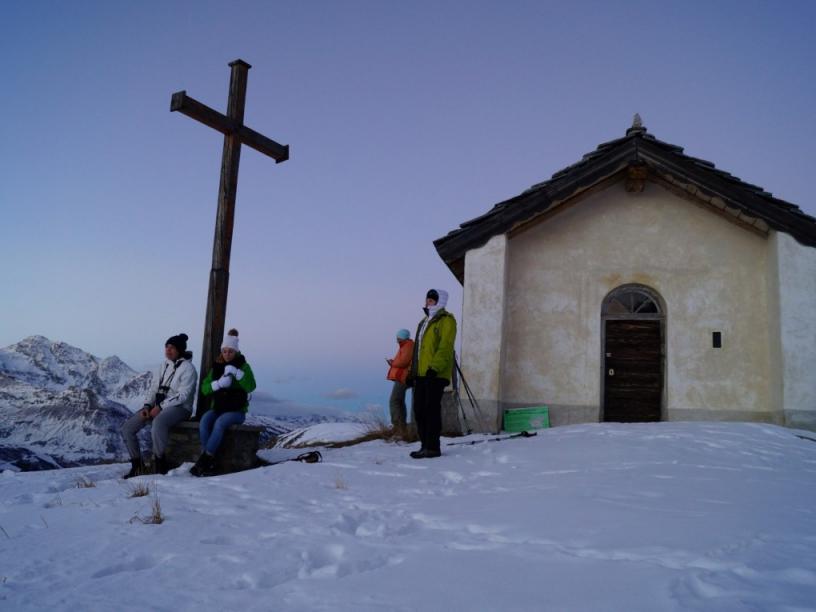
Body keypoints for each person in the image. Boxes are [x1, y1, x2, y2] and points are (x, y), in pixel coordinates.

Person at [121, 333, 197, 478]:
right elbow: (154, 388)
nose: (168, 350)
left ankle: (159, 464)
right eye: (166, 347)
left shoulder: (189, 369)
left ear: (180, 350)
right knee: (127, 428)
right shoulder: (163, 366)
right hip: (157, 406)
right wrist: (147, 406)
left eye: (172, 348)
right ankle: (137, 466)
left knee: (159, 422)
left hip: (181, 408)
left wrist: (160, 407)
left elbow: (183, 395)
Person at [191, 328, 257, 477]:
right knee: (204, 421)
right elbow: (204, 388)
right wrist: (218, 384)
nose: (227, 354)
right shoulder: (216, 367)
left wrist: (237, 374)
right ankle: (210, 460)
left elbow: (251, 386)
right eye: (225, 351)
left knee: (220, 422)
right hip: (219, 408)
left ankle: (205, 459)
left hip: (237, 411)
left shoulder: (243, 366)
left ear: (236, 351)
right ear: (222, 351)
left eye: (230, 351)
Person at [409, 289, 457, 459]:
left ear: (440, 301)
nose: (428, 302)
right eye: (427, 299)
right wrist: (412, 372)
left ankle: (433, 447)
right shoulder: (423, 322)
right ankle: (424, 445)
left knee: (431, 409)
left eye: (432, 300)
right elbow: (417, 350)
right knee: (419, 410)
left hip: (436, 374)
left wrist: (434, 367)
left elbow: (446, 346)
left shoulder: (447, 321)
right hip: (421, 374)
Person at [386, 329, 414, 431]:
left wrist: (392, 363)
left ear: (402, 337)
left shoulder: (408, 345)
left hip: (404, 376)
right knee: (399, 400)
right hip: (404, 376)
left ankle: (398, 426)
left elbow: (404, 361)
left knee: (394, 400)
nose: (396, 339)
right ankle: (402, 426)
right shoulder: (406, 345)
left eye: (398, 337)